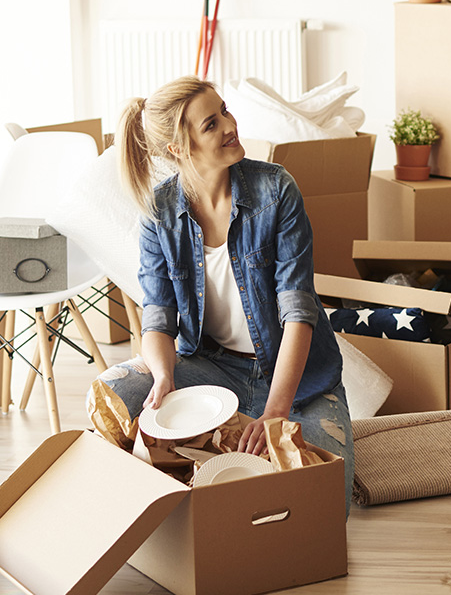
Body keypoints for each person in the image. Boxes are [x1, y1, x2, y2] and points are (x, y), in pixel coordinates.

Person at [92, 75, 354, 514]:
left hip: (299, 381)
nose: (230, 125)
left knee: (324, 502)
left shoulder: (276, 190)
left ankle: (225, 446)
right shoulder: (159, 213)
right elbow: (158, 316)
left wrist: (276, 411)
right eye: (211, 125)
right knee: (112, 391)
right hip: (212, 369)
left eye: (225, 112)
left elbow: (298, 312)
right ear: (179, 148)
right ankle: (190, 472)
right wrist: (163, 378)